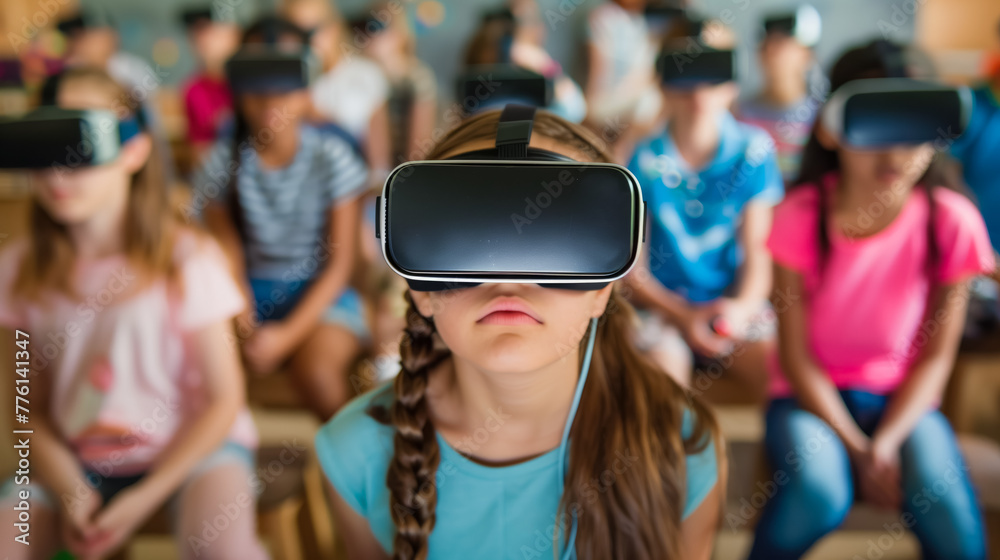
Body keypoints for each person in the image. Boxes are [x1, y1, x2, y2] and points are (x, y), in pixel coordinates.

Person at [314, 109, 724, 560]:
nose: (508, 284)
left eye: (555, 233)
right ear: (421, 290)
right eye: (468, 235)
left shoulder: (681, 445)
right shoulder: (355, 454)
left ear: (602, 291)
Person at [0, 68, 265, 559]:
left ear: (134, 150)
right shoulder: (17, 272)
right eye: (46, 145)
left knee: (226, 550)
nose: (58, 173)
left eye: (82, 142)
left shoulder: (188, 260)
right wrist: (71, 488)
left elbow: (224, 399)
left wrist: (145, 499)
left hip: (192, 449)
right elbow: (23, 407)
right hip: (74, 456)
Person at [747, 41, 994, 560]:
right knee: (817, 492)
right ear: (831, 128)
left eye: (913, 127)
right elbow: (795, 358)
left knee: (944, 503)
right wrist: (858, 448)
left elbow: (936, 357)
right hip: (806, 400)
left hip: (905, 404)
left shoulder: (952, 221)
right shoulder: (798, 215)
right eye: (877, 124)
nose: (897, 151)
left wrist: (885, 441)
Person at [194, 17, 369, 421]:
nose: (271, 99)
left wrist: (288, 336)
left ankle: (353, 469)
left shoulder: (332, 158)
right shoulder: (222, 162)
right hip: (248, 294)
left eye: (285, 84)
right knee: (200, 366)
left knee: (320, 376)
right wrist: (241, 311)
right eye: (257, 85)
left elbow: (340, 264)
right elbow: (227, 253)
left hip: (323, 295)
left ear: (306, 88)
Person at [626, 41, 783, 396]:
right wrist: (683, 316)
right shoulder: (643, 156)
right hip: (662, 307)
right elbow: (634, 270)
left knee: (777, 374)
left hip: (732, 304)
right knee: (662, 385)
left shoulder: (753, 150)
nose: (698, 95)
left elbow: (759, 252)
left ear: (732, 87)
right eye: (685, 82)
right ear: (664, 87)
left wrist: (740, 310)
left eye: (712, 81)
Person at [283, 0, 393, 185]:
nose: (306, 41)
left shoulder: (366, 76)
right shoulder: (282, 82)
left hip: (354, 185)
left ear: (333, 27)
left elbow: (379, 164)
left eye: (311, 30)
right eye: (295, 33)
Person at [736, 5, 825, 185]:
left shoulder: (822, 117)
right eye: (767, 43)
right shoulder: (736, 113)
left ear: (807, 54)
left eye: (782, 43)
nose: (772, 51)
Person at [584, 0, 660, 139]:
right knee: (647, 101)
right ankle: (621, 153)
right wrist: (589, 111)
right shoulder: (604, 17)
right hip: (607, 101)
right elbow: (598, 73)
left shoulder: (640, 22)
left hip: (633, 100)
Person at [180, 6, 242, 164]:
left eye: (213, 33)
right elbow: (200, 156)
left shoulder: (254, 82)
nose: (204, 39)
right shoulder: (194, 91)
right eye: (198, 33)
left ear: (235, 35)